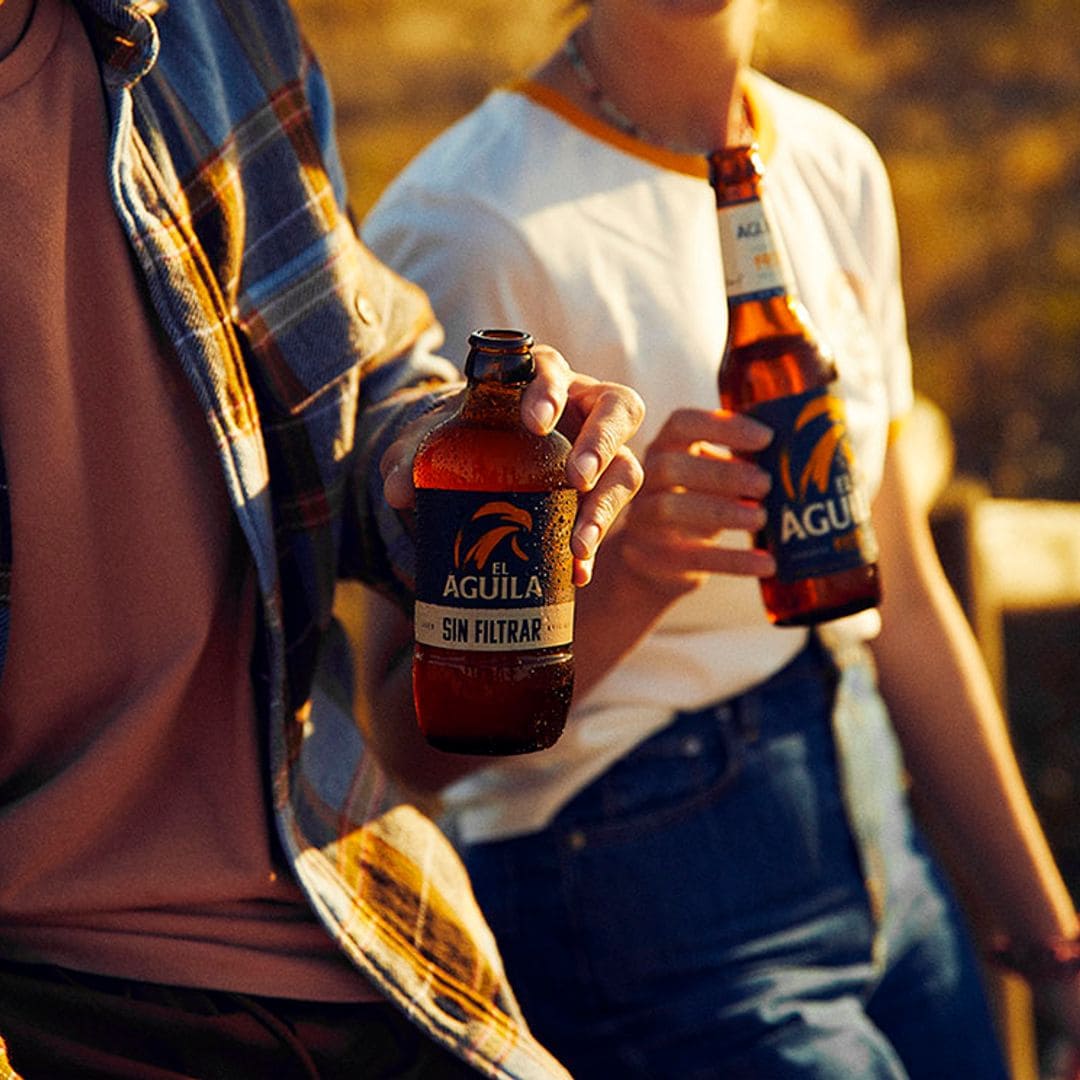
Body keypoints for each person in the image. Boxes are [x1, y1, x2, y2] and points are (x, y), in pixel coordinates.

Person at [360, 0, 1080, 1075]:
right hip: (634, 877)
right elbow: (404, 737)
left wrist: (1057, 943)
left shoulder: (836, 165)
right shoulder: (471, 218)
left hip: (875, 813)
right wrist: (629, 577)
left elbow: (902, 593)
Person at [0, 0, 646, 1076]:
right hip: (48, 985)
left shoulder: (218, 30)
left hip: (355, 906)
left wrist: (448, 447)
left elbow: (365, 381)